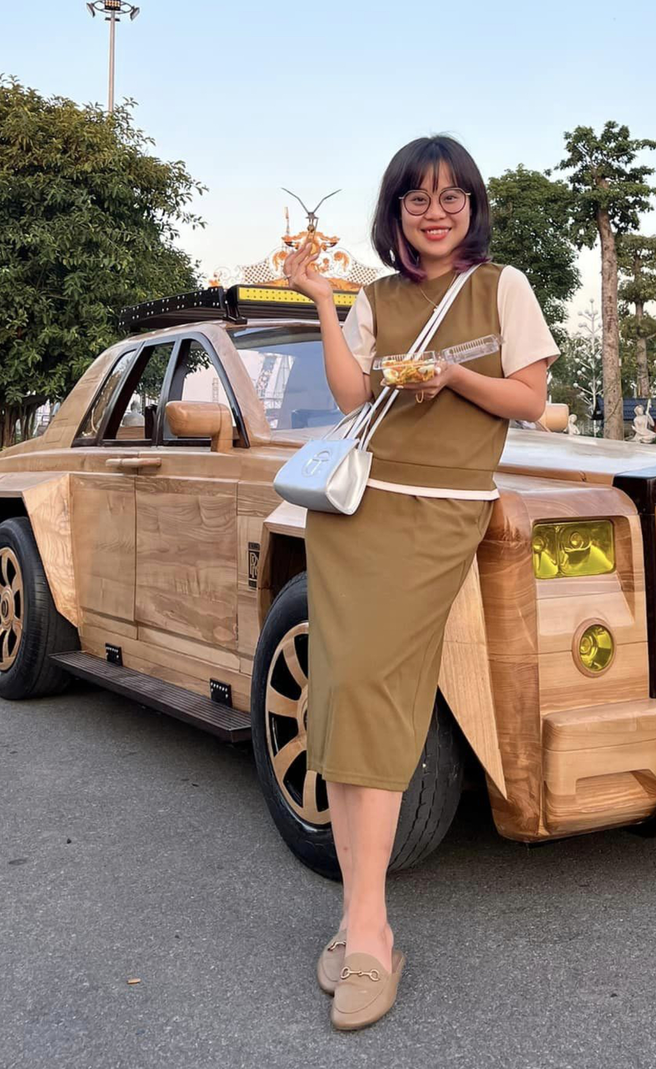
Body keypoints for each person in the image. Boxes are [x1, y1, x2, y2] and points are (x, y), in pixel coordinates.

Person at [282, 135, 558, 1030]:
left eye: (450, 198)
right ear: (394, 212)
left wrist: (456, 377)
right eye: (416, 200)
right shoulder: (376, 297)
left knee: (385, 697)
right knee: (345, 692)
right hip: (353, 516)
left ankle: (369, 929)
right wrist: (325, 302)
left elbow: (529, 397)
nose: (434, 213)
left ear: (473, 207)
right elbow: (350, 396)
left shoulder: (502, 286)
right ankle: (362, 918)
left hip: (440, 513)